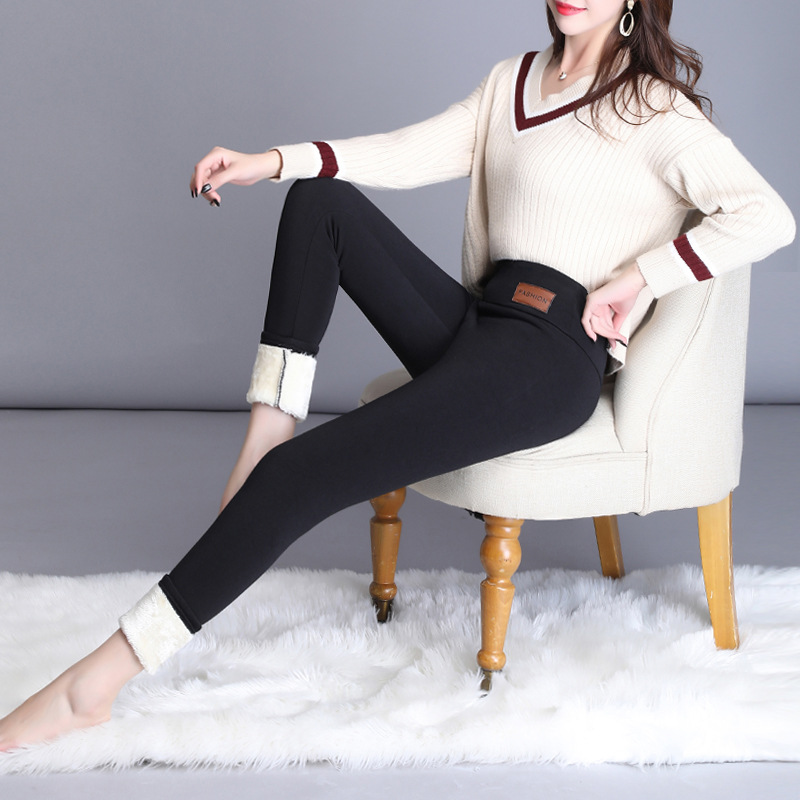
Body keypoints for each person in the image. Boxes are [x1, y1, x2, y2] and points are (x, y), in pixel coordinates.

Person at [1, 0, 794, 752]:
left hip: (548, 359)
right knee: (320, 203)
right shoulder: (513, 81)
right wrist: (269, 162)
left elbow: (768, 216)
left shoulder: (655, 109)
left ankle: (91, 688)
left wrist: (645, 276)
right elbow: (407, 151)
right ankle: (271, 422)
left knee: (297, 479)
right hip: (480, 322)